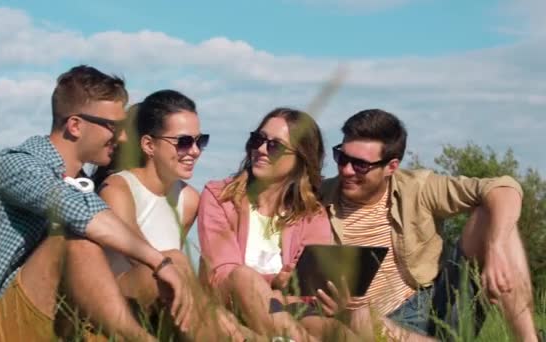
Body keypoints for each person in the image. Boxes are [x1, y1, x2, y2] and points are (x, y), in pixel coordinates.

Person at [0, 65, 192, 341]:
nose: (122, 137)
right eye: (114, 126)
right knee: (73, 237)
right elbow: (82, 214)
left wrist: (164, 271)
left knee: (175, 261)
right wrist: (159, 263)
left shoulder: (83, 183)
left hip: (58, 321)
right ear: (75, 125)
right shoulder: (17, 165)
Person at [318, 109, 538, 341]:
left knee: (491, 216)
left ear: (391, 167)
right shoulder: (317, 199)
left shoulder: (418, 187)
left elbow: (504, 188)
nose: (346, 170)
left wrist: (496, 248)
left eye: (360, 165)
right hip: (374, 324)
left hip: (438, 302)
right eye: (342, 157)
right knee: (357, 318)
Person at [96, 89, 249, 340]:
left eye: (201, 141)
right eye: (184, 142)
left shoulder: (188, 199)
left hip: (162, 305)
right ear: (148, 145)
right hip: (115, 303)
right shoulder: (117, 188)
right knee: (174, 260)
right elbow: (139, 255)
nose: (195, 151)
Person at [198, 108, 359, 341]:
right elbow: (223, 272)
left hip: (289, 308)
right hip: (230, 303)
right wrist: (275, 282)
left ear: (299, 159)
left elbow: (308, 289)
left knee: (336, 332)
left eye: (275, 146)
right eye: (258, 139)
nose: (261, 149)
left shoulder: (311, 214)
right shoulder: (219, 197)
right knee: (243, 276)